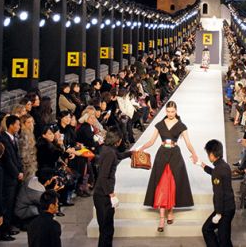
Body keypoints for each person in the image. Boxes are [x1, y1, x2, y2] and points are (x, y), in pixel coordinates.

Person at [137, 101, 199, 231]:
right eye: (168, 111)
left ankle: (170, 212)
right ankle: (161, 218)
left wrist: (194, 154)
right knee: (161, 185)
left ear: (176, 111)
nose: (170, 114)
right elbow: (152, 141)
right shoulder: (160, 124)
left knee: (172, 184)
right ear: (165, 111)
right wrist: (141, 148)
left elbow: (188, 143)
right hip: (162, 154)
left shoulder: (181, 125)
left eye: (172, 111)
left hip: (175, 155)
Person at [93, 130, 132, 247]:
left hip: (101, 193)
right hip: (103, 195)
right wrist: (110, 193)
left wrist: (130, 153)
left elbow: (119, 155)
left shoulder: (107, 149)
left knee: (107, 228)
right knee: (106, 229)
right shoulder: (109, 153)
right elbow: (103, 176)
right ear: (118, 141)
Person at [200, 139, 235, 247]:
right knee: (224, 238)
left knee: (207, 229)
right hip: (229, 206)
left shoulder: (218, 170)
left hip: (223, 210)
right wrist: (203, 166)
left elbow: (218, 193)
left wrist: (218, 213)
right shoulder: (224, 165)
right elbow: (216, 174)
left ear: (211, 154)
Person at [0, 115, 24, 241]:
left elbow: (16, 157)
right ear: (11, 125)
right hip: (8, 178)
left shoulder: (13, 138)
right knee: (7, 204)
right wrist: (16, 173)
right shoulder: (4, 139)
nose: (19, 127)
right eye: (17, 124)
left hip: (15, 176)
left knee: (11, 203)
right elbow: (7, 159)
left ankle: (8, 227)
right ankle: (3, 231)